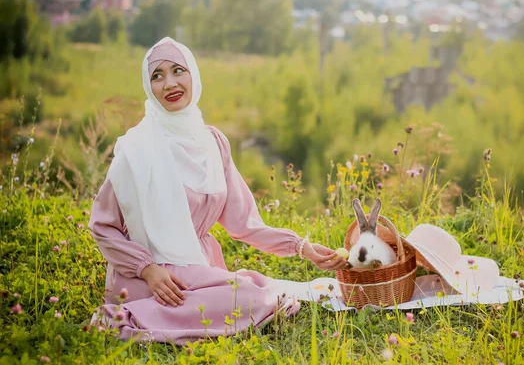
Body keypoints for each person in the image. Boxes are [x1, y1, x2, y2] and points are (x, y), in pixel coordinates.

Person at [88, 37, 348, 345]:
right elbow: (102, 226)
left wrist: (302, 247)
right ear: (149, 86)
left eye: (177, 71)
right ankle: (130, 316)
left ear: (194, 76)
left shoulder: (213, 143)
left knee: (256, 291)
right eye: (157, 76)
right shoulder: (137, 148)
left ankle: (183, 312)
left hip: (197, 269)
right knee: (256, 295)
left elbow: (245, 225)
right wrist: (147, 270)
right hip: (150, 278)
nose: (169, 83)